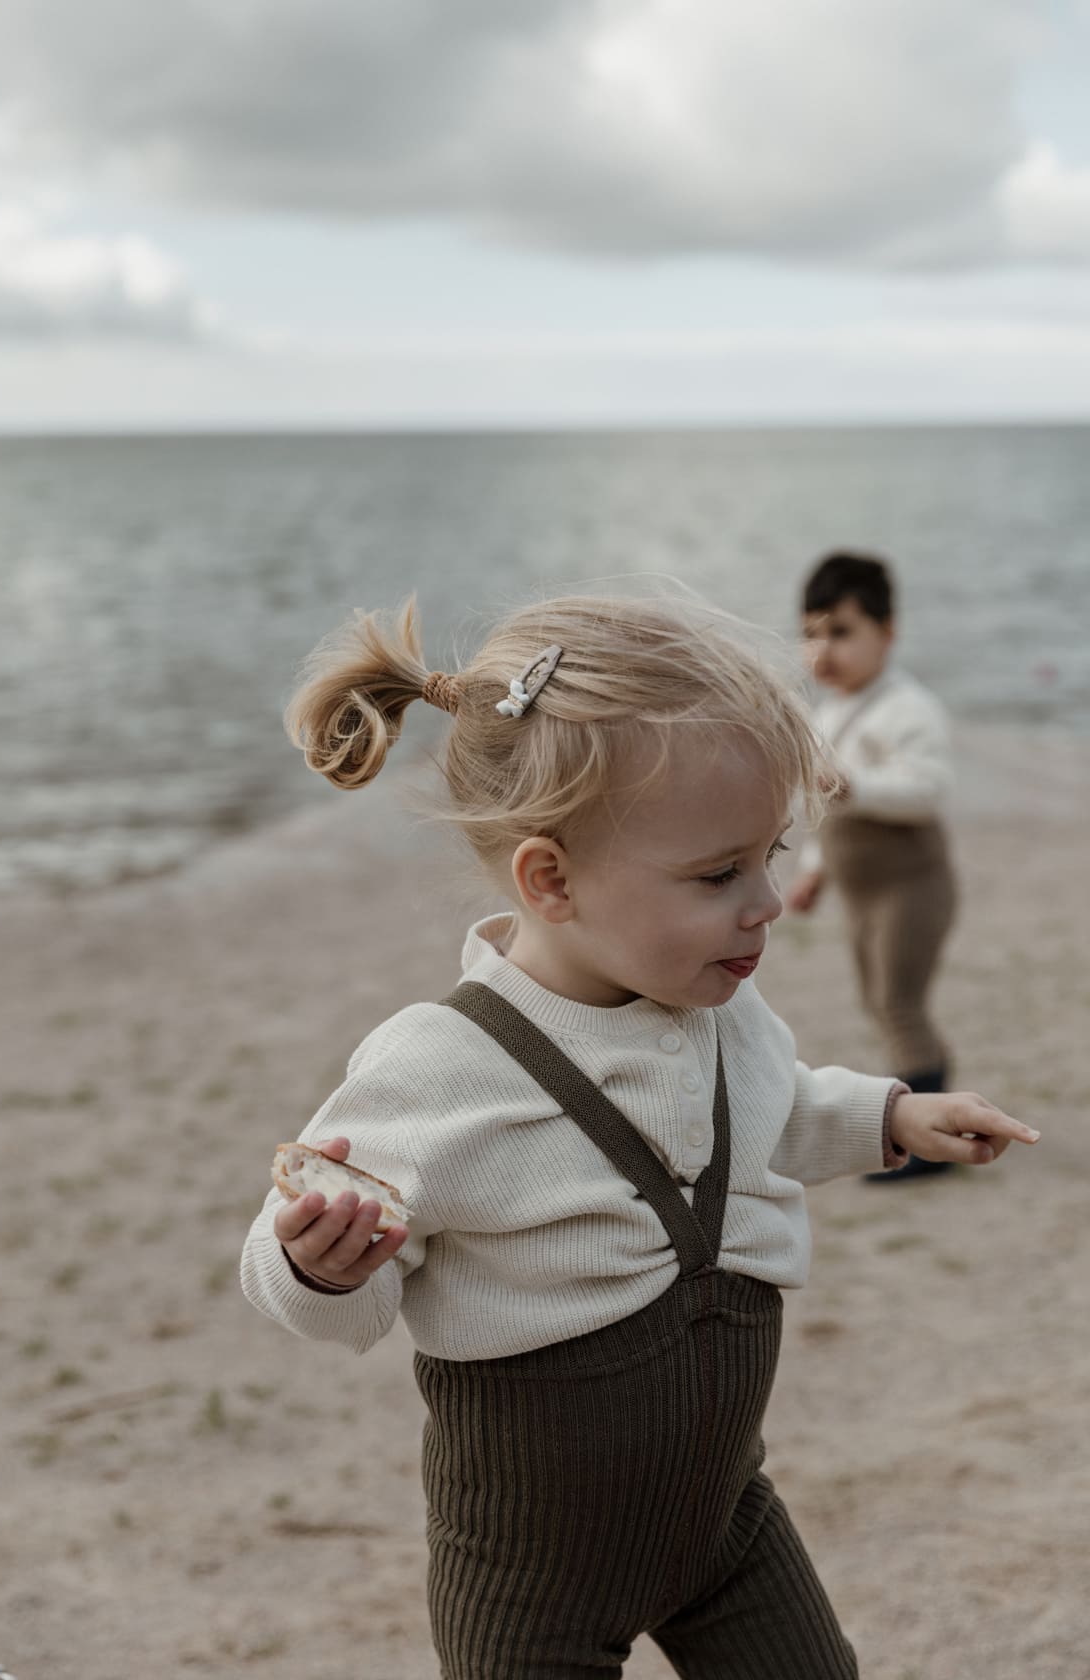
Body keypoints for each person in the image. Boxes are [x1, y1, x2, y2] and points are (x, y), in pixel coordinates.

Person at [241, 591, 1037, 1679]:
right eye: (718, 875)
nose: (764, 901)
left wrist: (891, 1116)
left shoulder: (721, 1011)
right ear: (551, 879)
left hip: (722, 1523)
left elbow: (779, 1109)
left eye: (771, 854)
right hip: (530, 1574)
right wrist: (315, 1265)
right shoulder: (437, 1067)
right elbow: (330, 1295)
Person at [788, 551, 959, 1183]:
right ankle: (923, 1118)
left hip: (911, 888)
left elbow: (927, 790)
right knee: (877, 1000)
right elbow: (829, 814)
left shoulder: (908, 710)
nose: (823, 650)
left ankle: (929, 1140)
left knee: (898, 1000)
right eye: (811, 632)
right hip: (860, 892)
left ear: (887, 634)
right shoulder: (829, 711)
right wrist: (813, 868)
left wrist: (854, 782)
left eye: (841, 632)